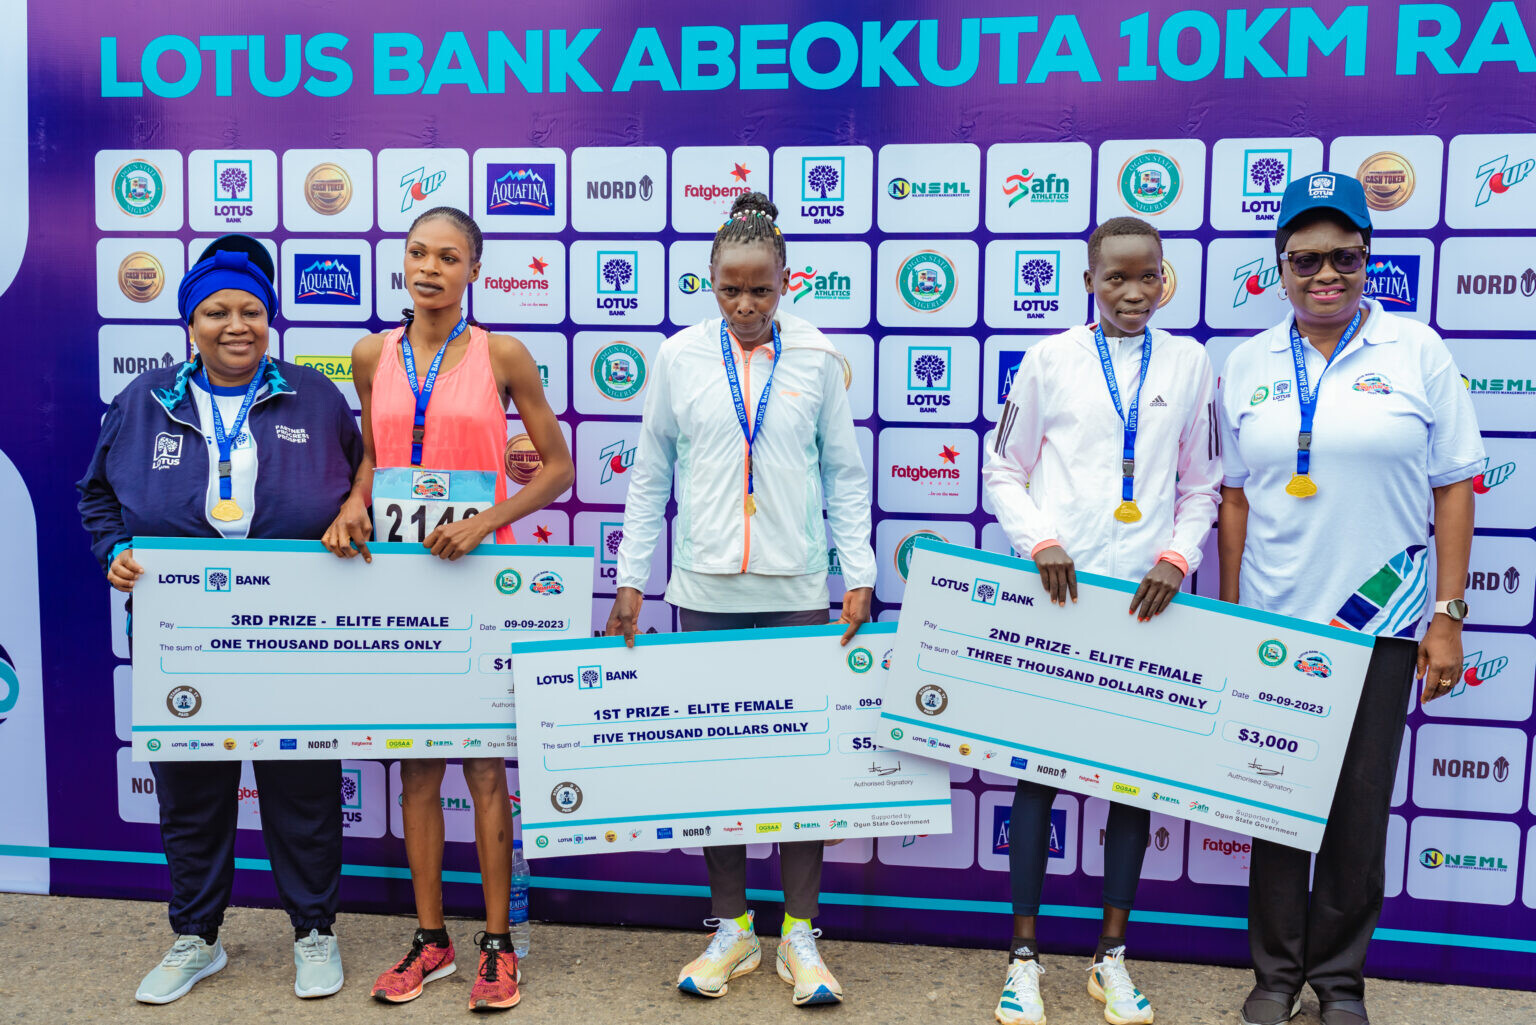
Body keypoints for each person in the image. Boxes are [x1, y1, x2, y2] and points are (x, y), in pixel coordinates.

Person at [1217, 172, 1481, 1025]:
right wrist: (1230, 614)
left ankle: (1339, 982)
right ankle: (1273, 975)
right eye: (1306, 259)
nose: (1326, 274)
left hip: (1382, 620)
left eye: (1344, 257)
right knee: (1272, 801)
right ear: (1279, 266)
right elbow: (1233, 499)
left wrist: (1446, 616)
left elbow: (1454, 487)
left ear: (1368, 260)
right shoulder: (1247, 363)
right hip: (1275, 621)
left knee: (1358, 813)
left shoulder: (1417, 350)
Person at [605, 191, 875, 1008]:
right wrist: (630, 578)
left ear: (788, 281)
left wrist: (859, 572)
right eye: (731, 289)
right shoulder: (679, 357)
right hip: (704, 589)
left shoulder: (818, 357)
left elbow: (844, 474)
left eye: (762, 289)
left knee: (801, 762)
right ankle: (733, 927)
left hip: (796, 587)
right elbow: (651, 473)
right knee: (716, 761)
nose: (747, 305)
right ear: (709, 282)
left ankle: (799, 933)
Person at [78, 235, 362, 1004]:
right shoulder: (145, 400)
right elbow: (97, 493)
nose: (236, 325)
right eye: (216, 312)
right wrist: (114, 549)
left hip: (292, 631)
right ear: (190, 324)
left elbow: (360, 477)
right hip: (181, 635)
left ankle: (314, 930)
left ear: (269, 318)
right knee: (192, 791)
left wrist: (353, 510)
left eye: (250, 311)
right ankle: (197, 936)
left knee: (303, 786)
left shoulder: (315, 396)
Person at [324, 206, 572, 1013]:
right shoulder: (372, 354)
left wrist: (484, 521)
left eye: (449, 256)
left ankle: (498, 946)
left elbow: (557, 468)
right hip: (401, 582)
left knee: (485, 767)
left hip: (478, 577)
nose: (429, 268)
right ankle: (431, 940)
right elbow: (374, 455)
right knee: (418, 765)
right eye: (418, 253)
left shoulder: (503, 353)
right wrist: (355, 501)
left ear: (474, 270)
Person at [982, 216, 1221, 1025]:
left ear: (1164, 278)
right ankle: (1023, 959)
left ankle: (1110, 956)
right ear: (1090, 281)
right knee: (1037, 778)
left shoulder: (1189, 364)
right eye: (1115, 277)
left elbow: (1203, 485)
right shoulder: (1048, 359)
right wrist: (1040, 540)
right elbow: (1003, 468)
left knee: (1131, 786)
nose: (1132, 292)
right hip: (1059, 604)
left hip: (1144, 607)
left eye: (1146, 275)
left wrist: (1178, 556)